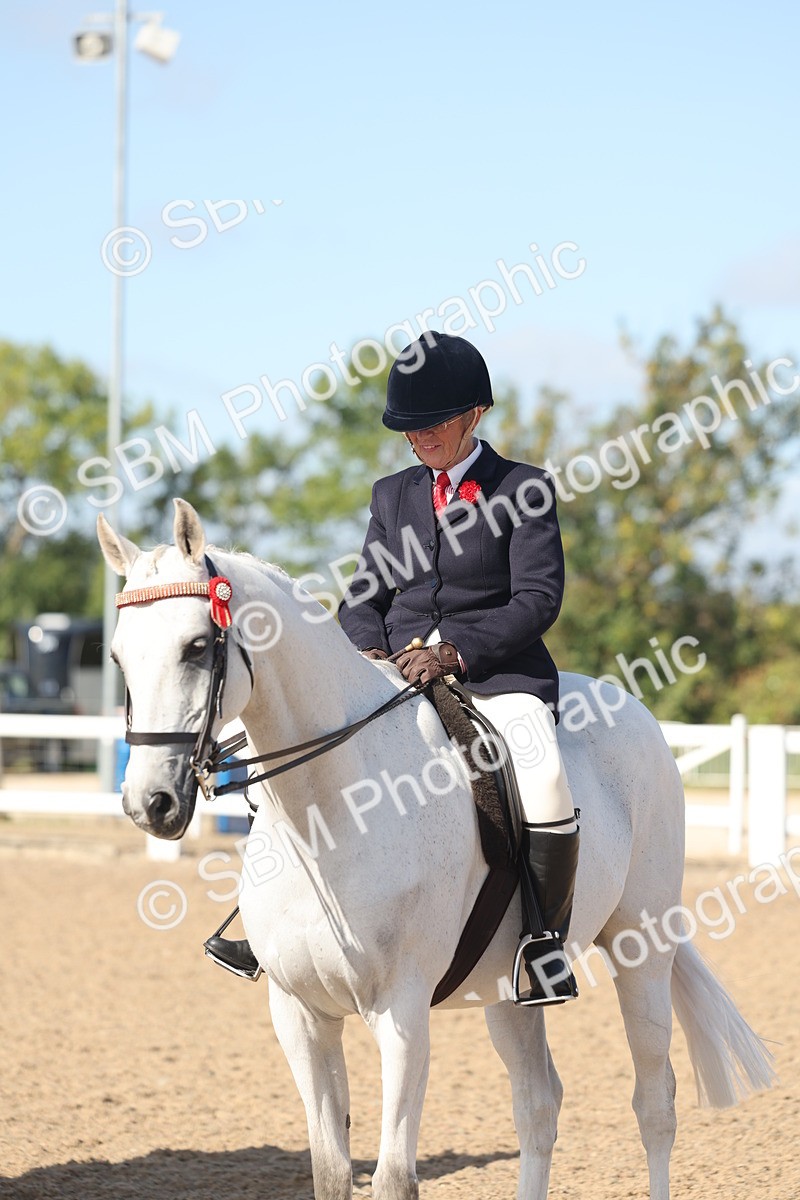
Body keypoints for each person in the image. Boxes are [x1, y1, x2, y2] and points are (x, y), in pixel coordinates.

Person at [206, 331, 579, 1005]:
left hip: (494, 675)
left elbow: (537, 600)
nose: (420, 438)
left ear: (475, 413)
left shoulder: (523, 488)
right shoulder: (392, 495)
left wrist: (454, 651)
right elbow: (364, 597)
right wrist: (367, 653)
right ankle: (260, 923)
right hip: (398, 675)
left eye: (433, 424)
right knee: (285, 763)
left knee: (544, 775)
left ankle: (543, 945)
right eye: (409, 428)